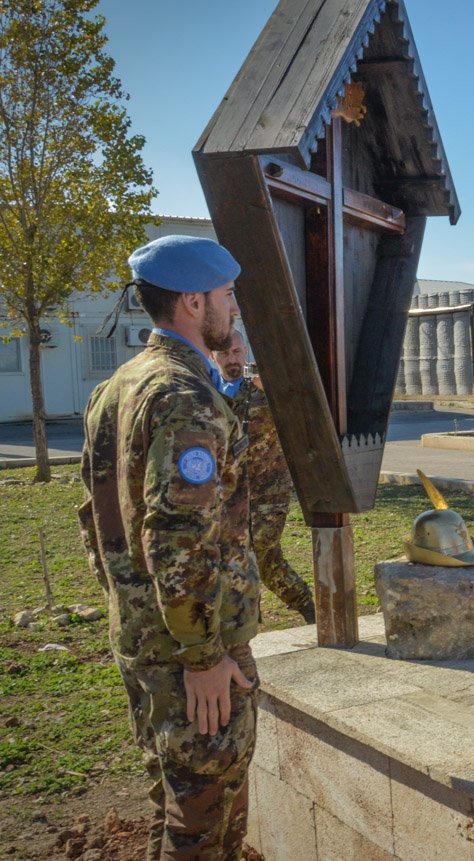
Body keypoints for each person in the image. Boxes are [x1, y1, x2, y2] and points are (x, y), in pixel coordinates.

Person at [78, 235, 259, 861]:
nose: (234, 309)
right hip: (186, 649)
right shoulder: (184, 395)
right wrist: (202, 653)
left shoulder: (120, 383)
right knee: (204, 821)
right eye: (227, 295)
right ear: (191, 301)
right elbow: (178, 536)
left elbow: (97, 517)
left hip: (141, 630)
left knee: (174, 799)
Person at [212, 330, 316, 624]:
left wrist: (278, 388)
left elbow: (304, 404)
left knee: (259, 545)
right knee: (263, 559)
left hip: (270, 487)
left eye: (235, 352)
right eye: (223, 354)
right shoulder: (209, 393)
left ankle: (247, 614)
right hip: (229, 492)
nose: (231, 359)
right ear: (213, 357)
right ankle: (306, 607)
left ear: (245, 351)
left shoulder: (265, 388)